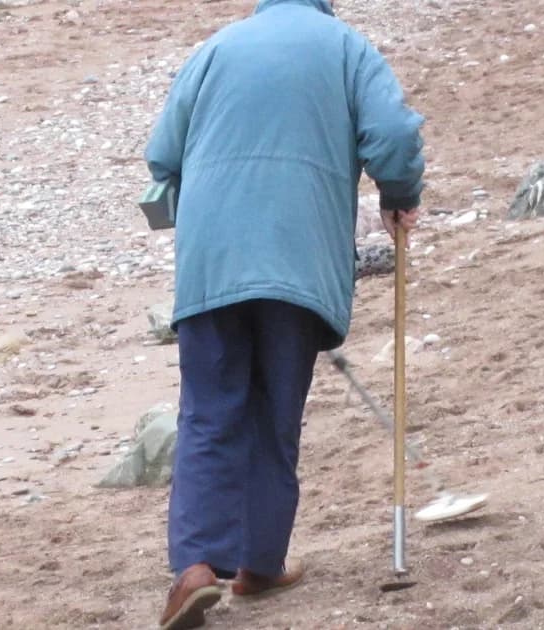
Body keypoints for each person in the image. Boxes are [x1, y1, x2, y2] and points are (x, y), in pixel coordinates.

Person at [144, 0, 424, 627]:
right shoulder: (347, 47)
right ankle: (258, 562)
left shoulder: (216, 48)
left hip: (212, 259)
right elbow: (396, 136)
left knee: (209, 412)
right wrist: (398, 193)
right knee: (275, 413)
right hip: (297, 259)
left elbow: (162, 154)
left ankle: (195, 568)